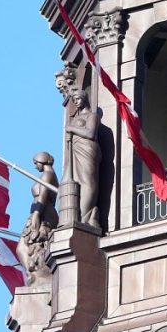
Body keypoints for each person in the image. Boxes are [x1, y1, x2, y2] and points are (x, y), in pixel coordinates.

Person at [17, 152, 59, 286]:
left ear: (43, 161)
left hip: (42, 212)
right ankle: (31, 274)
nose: (35, 166)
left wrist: (36, 213)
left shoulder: (48, 175)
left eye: (36, 163)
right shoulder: (48, 174)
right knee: (25, 247)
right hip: (41, 211)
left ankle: (33, 276)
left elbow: (43, 195)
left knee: (25, 247)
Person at [65, 87, 102, 228]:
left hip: (87, 150)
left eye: (78, 99)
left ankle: (86, 216)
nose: (76, 102)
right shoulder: (76, 118)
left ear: (85, 98)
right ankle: (79, 215)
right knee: (77, 182)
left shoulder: (92, 116)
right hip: (76, 151)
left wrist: (71, 129)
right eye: (74, 100)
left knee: (87, 181)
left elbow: (91, 133)